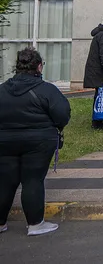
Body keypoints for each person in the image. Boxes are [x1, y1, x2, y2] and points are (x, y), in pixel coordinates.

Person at [0, 48, 71, 236]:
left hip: (4, 140)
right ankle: (35, 224)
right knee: (33, 180)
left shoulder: (3, 89)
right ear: (39, 66)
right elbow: (62, 114)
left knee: (5, 181)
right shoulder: (47, 90)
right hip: (39, 141)